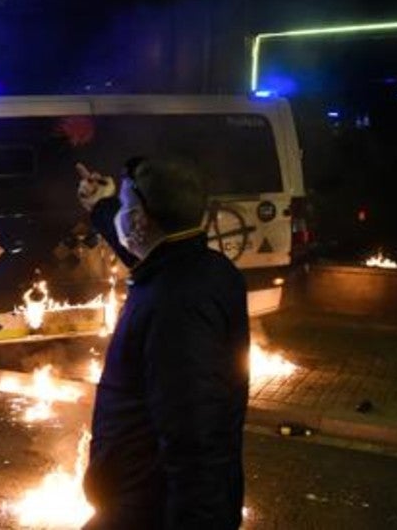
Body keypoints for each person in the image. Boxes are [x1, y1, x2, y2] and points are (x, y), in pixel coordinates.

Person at [76, 157, 249, 529]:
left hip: (149, 509)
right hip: (139, 499)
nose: (121, 215)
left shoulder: (177, 304)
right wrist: (103, 206)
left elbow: (196, 437)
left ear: (140, 221)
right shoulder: (202, 268)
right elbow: (152, 255)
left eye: (125, 208)